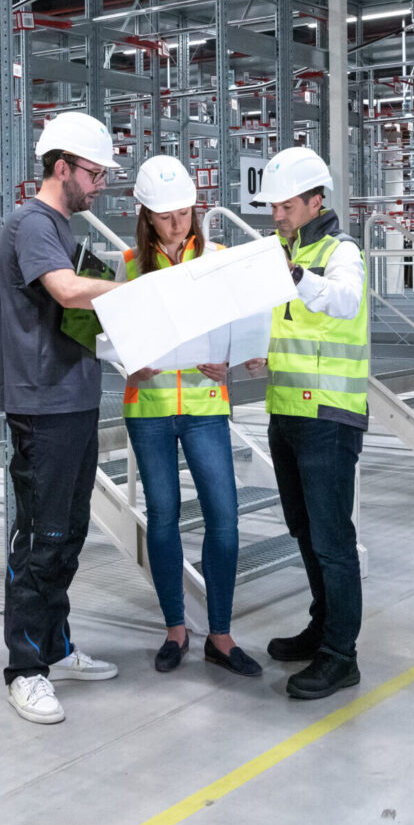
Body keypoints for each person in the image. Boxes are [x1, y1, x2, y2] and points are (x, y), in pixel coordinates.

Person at [0, 112, 123, 725]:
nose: (100, 184)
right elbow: (70, 293)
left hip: (72, 401)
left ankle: (56, 647)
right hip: (42, 406)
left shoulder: (61, 228)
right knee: (42, 540)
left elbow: (81, 316)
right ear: (62, 166)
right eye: (95, 172)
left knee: (67, 536)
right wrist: (137, 286)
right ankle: (25, 669)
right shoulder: (32, 222)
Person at [122, 156, 260, 679]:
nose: (177, 224)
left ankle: (219, 635)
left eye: (184, 212)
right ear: (146, 216)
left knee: (224, 517)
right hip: (150, 407)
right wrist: (129, 366)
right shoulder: (131, 263)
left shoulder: (220, 259)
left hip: (205, 404)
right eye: (165, 215)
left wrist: (232, 358)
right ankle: (175, 629)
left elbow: (243, 330)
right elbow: (115, 336)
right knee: (162, 517)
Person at [244, 146, 367, 700]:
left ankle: (343, 656)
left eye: (287, 205)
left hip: (329, 419)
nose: (277, 215)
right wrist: (258, 352)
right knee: (306, 533)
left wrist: (296, 274)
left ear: (317, 200)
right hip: (286, 413)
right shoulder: (276, 250)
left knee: (334, 540)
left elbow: (344, 302)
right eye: (273, 207)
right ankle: (323, 628)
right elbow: (285, 328)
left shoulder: (341, 252)